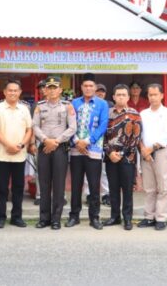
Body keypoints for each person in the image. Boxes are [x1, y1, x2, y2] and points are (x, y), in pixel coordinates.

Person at [32, 76, 77, 230]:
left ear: (60, 90)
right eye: (49, 88)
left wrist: (56, 141)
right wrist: (46, 140)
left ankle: (56, 219)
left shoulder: (67, 106)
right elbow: (35, 126)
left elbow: (72, 128)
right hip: (44, 147)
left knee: (58, 185)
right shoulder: (39, 106)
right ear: (45, 90)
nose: (51, 90)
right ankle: (44, 218)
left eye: (54, 87)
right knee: (44, 184)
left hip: (60, 148)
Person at [0, 80, 32, 229]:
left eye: (16, 90)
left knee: (18, 187)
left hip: (19, 155)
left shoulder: (24, 109)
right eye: (10, 90)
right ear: (5, 92)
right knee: (1, 188)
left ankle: (16, 217)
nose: (13, 93)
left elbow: (29, 130)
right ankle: (0, 217)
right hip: (2, 154)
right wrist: (8, 145)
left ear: (20, 93)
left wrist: (20, 145)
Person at [67, 73, 109, 230]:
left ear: (95, 87)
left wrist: (88, 141)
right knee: (76, 184)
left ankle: (94, 217)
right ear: (81, 87)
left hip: (94, 150)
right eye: (86, 86)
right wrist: (77, 141)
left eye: (91, 86)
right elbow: (70, 124)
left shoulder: (102, 104)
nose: (88, 88)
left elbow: (103, 125)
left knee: (93, 185)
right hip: (76, 148)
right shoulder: (74, 103)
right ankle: (74, 216)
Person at [103, 84, 142, 230]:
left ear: (128, 97)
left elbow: (135, 138)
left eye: (123, 95)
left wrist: (120, 153)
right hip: (110, 157)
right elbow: (102, 136)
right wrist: (109, 152)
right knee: (113, 188)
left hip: (127, 158)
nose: (120, 97)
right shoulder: (106, 114)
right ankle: (114, 216)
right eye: (118, 94)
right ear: (113, 97)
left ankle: (127, 218)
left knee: (127, 189)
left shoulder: (134, 114)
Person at [137, 84, 167, 231]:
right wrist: (143, 149)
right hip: (145, 153)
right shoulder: (143, 114)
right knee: (149, 187)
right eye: (150, 95)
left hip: (160, 152)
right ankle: (149, 217)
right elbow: (138, 133)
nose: (152, 97)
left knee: (163, 186)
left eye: (155, 94)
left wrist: (151, 149)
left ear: (161, 96)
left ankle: (161, 217)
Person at [29, 79, 48, 206]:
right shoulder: (36, 105)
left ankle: (60, 195)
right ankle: (40, 195)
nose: (42, 90)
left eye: (44, 87)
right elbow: (32, 126)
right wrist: (31, 143)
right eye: (40, 88)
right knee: (40, 170)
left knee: (58, 171)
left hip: (57, 142)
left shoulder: (63, 104)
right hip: (40, 141)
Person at [92, 83, 111, 206]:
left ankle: (105, 194)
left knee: (104, 170)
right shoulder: (90, 104)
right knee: (90, 170)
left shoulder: (110, 105)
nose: (100, 93)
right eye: (98, 91)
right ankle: (89, 194)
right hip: (91, 142)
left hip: (106, 142)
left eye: (102, 91)